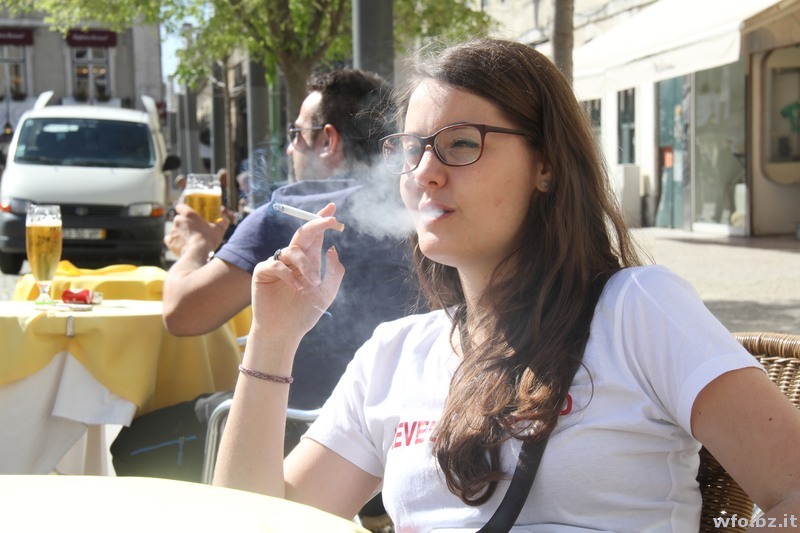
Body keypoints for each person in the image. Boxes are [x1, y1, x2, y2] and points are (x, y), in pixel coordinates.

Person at [212, 37, 800, 531]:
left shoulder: (636, 310)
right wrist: (273, 340)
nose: (425, 173)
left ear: (545, 164)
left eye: (461, 144)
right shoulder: (393, 355)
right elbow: (258, 523)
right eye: (411, 150)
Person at [162, 69, 417, 412]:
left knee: (136, 436)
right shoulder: (417, 210)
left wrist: (195, 246)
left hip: (291, 425)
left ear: (328, 140)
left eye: (296, 134)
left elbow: (182, 315)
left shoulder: (288, 213)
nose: (288, 148)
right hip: (402, 425)